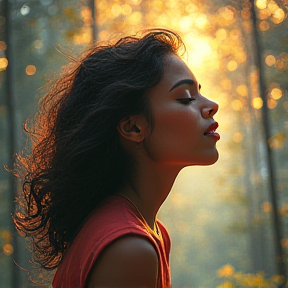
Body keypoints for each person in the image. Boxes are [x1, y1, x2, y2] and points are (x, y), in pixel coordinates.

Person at [12, 28, 220, 288]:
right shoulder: (129, 247)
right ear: (133, 128)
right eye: (186, 98)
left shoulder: (148, 233)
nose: (212, 104)